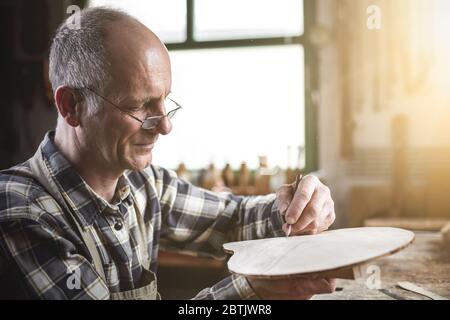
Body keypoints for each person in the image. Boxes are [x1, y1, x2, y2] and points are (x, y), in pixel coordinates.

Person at [0, 7, 336, 300]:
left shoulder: (143, 184)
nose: (164, 127)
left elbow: (232, 220)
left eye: (165, 101)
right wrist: (253, 293)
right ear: (72, 106)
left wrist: (293, 207)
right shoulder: (22, 214)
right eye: (140, 106)